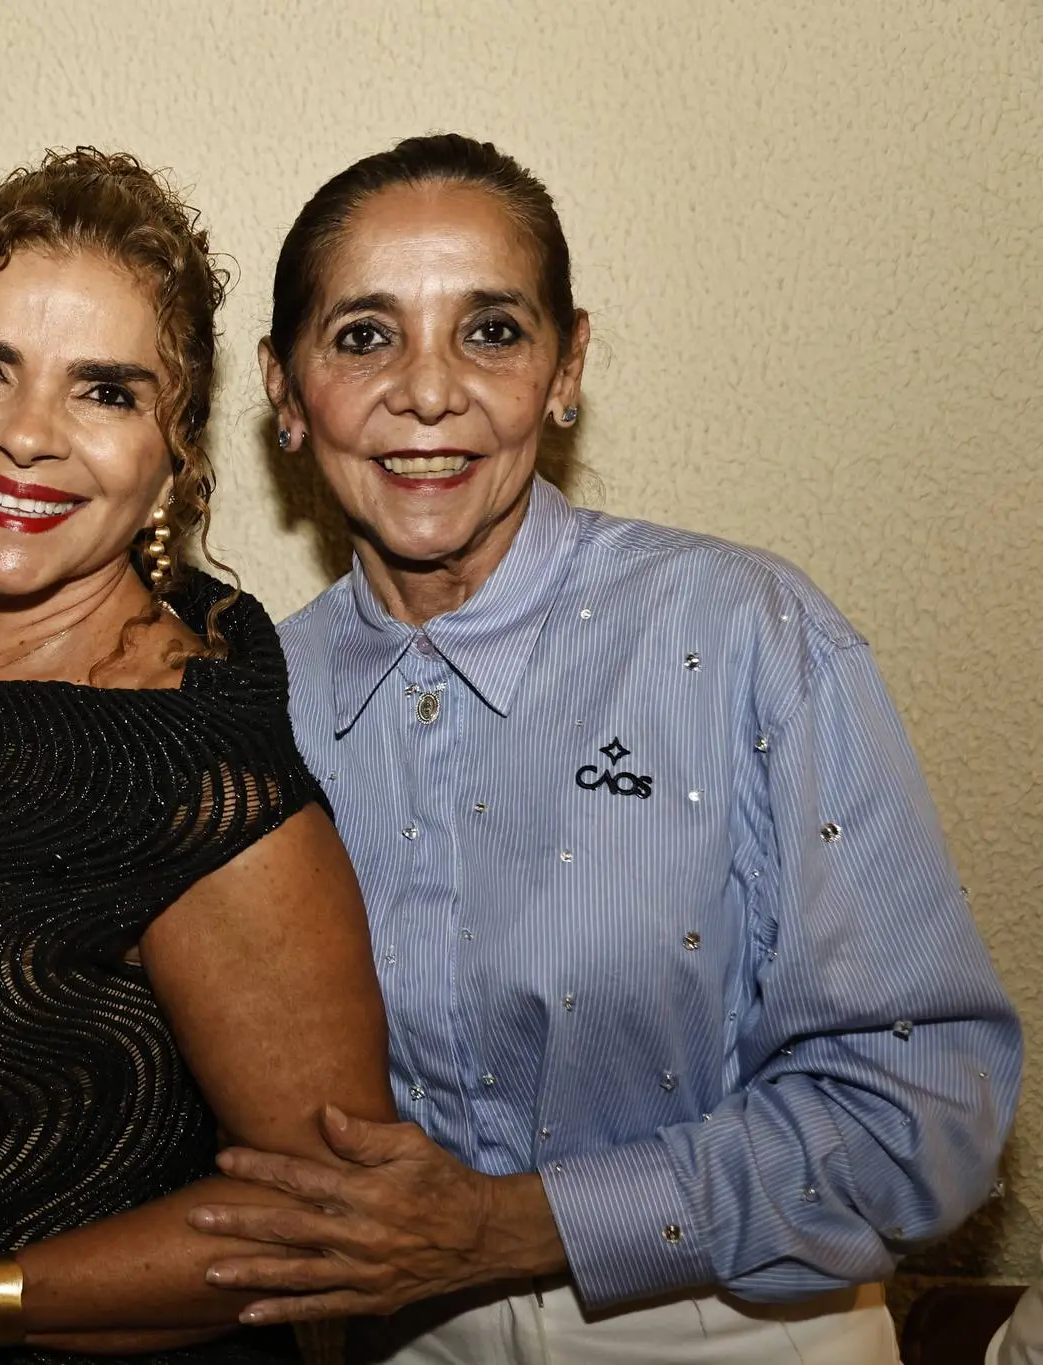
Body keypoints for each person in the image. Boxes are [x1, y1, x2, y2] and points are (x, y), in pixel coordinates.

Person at [181, 133, 1023, 1362]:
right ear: (283, 389)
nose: (428, 392)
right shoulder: (247, 708)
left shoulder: (743, 637)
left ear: (564, 366)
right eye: (363, 336)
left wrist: (508, 1228)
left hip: (742, 1331)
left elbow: (922, 1113)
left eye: (490, 331)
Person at [0, 149, 397, 1363]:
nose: (26, 436)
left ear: (173, 454)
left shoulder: (183, 765)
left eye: (105, 393)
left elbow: (328, 1218)